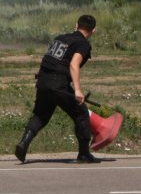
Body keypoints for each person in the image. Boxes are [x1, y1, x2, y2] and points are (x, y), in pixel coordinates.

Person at [15, 14, 99, 164]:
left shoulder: (61, 38)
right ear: (93, 30)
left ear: (76, 25)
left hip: (43, 79)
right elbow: (74, 65)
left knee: (40, 115)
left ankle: (23, 143)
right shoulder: (82, 44)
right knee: (81, 113)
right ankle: (84, 154)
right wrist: (78, 90)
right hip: (57, 81)